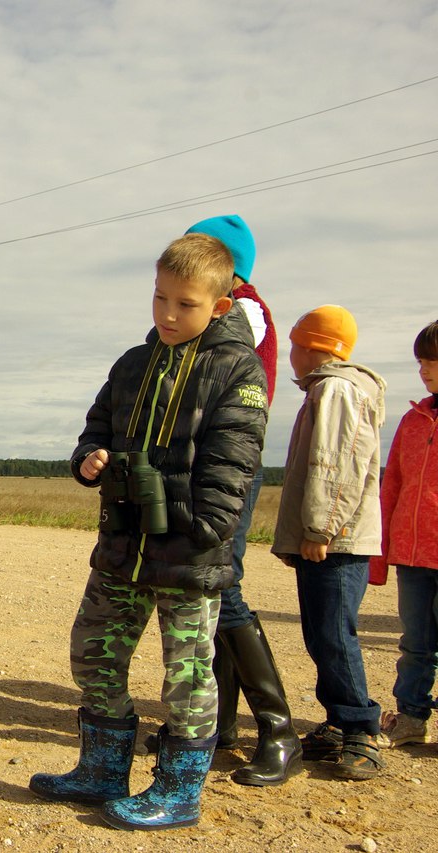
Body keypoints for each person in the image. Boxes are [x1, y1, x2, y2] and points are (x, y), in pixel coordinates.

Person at [29, 233, 266, 830]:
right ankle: (103, 770)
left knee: (187, 676)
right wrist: (90, 459)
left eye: (184, 304)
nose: (166, 313)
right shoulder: (133, 363)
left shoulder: (239, 372)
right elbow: (98, 426)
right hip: (121, 548)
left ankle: (180, 790)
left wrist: (189, 519)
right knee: (94, 658)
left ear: (219, 305)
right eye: (159, 297)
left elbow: (232, 466)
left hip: (189, 553)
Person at [182, 214, 299, 786]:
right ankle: (221, 724)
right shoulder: (232, 308)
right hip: (209, 462)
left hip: (225, 464)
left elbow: (212, 388)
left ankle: (279, 730)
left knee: (220, 585)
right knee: (214, 584)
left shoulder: (241, 311)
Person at [273, 305, 388, 780]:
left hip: (336, 539)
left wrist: (320, 529)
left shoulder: (337, 389)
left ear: (314, 348)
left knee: (335, 635)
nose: (291, 356)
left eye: (297, 346)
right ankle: (338, 723)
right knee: (324, 633)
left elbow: (335, 464)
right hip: (334, 536)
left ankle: (361, 727)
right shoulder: (329, 388)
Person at [372, 319, 438, 748]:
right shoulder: (413, 420)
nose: (424, 370)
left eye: (432, 361)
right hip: (413, 556)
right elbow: (392, 481)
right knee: (415, 641)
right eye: (420, 362)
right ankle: (412, 716)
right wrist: (379, 553)